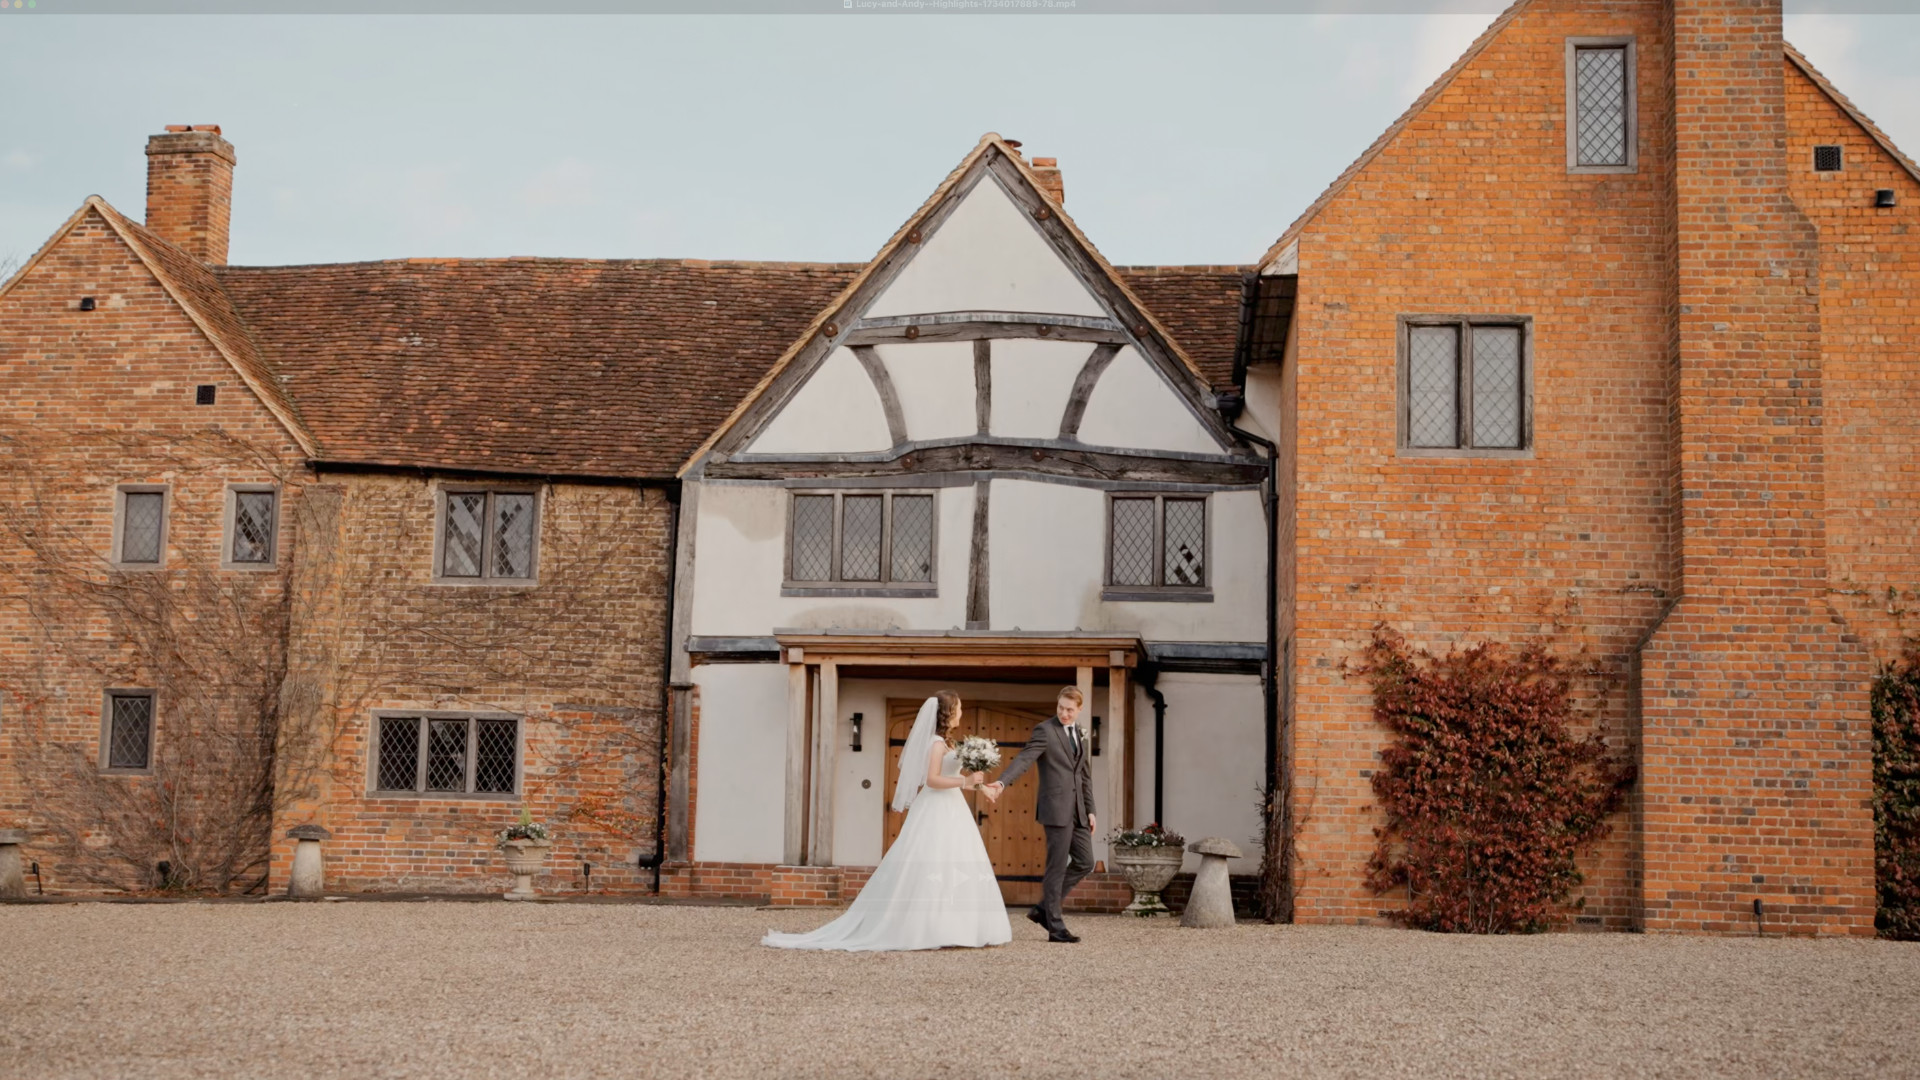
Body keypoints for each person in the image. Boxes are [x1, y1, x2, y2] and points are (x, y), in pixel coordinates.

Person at [761, 691, 1012, 951]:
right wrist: (965, 780)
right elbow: (932, 780)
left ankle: (956, 926)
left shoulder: (948, 744)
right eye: (958, 707)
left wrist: (982, 788)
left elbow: (953, 780)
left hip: (953, 807)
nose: (961, 712)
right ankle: (925, 927)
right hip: (936, 808)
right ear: (948, 713)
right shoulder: (936, 744)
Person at [983, 685, 1095, 943]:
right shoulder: (1045, 730)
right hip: (1055, 809)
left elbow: (1084, 776)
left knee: (1086, 862)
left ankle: (1043, 909)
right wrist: (1001, 783)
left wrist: (1091, 809)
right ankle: (1055, 927)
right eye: (1061, 708)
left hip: (1078, 810)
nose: (1064, 714)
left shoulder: (1081, 733)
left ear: (1079, 709)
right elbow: (1024, 759)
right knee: (1056, 867)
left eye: (1069, 710)